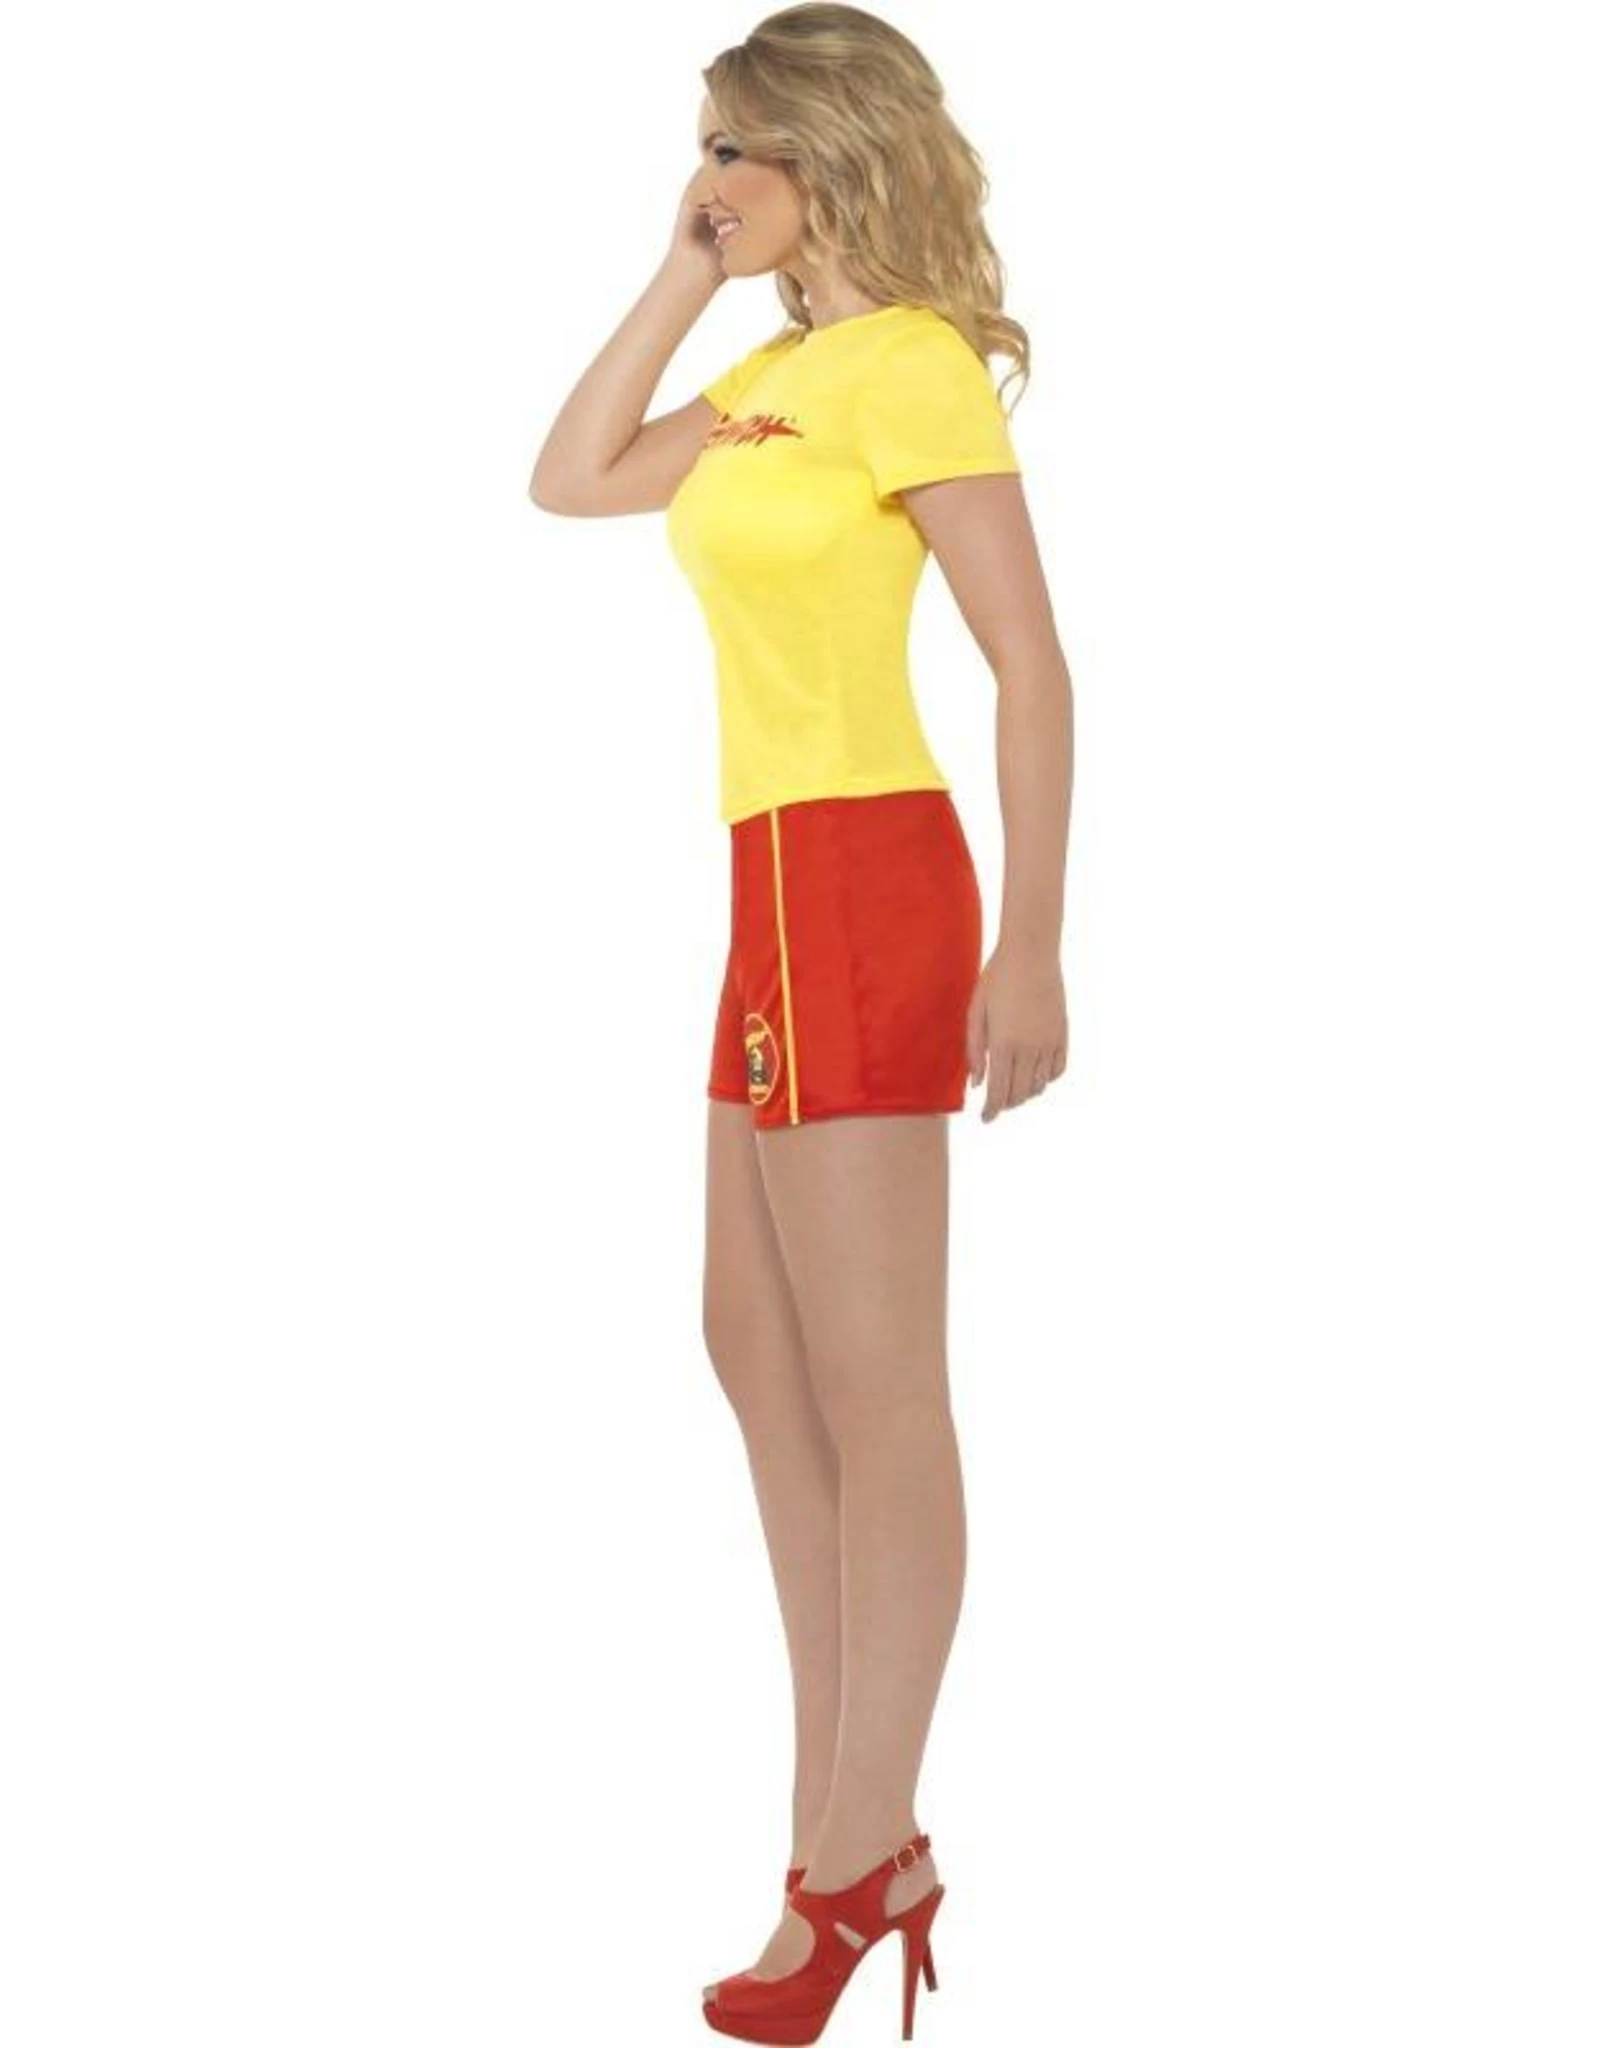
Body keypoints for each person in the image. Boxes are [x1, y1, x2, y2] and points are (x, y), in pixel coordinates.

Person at [529, 7, 1073, 2039]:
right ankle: (842, 1823)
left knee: (877, 1379)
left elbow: (1031, 663)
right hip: (764, 879)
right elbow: (568, 476)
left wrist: (1033, 947)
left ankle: (850, 1861)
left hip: (864, 872)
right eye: (701, 150)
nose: (704, 179)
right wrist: (683, 273)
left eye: (729, 152)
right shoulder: (769, 378)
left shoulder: (911, 365)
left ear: (821, 155)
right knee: (753, 1348)